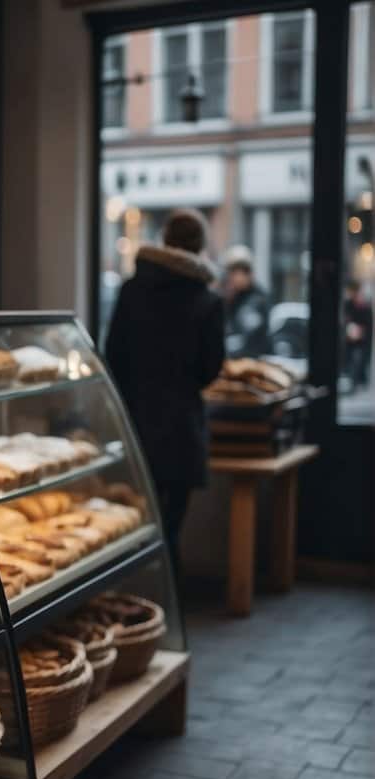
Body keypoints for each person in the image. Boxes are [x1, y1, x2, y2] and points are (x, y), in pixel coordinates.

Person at [105, 209, 225, 589]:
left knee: (136, 520)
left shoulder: (131, 289)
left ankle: (133, 595)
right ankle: (168, 605)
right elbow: (209, 370)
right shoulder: (207, 300)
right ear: (200, 246)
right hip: (180, 428)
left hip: (135, 422)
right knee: (171, 524)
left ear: (165, 239)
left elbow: (113, 356)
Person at [221, 245, 271, 357]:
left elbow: (249, 338)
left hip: (253, 361)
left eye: (234, 273)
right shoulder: (233, 297)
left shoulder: (256, 300)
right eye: (230, 273)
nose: (231, 278)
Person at [343, 279, 373, 389]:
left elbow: (368, 325)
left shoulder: (364, 306)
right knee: (350, 360)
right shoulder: (348, 304)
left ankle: (357, 380)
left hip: (361, 341)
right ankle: (352, 381)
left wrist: (361, 331)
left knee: (358, 360)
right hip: (350, 339)